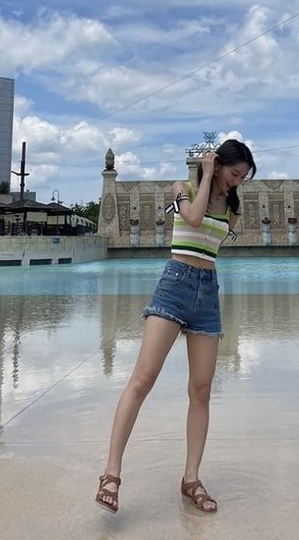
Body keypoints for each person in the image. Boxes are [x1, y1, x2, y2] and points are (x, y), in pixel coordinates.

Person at [96, 139, 257, 515]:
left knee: (201, 390)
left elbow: (212, 244)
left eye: (243, 178)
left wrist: (218, 186)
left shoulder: (233, 208)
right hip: (174, 285)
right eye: (234, 173)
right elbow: (195, 219)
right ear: (216, 164)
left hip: (207, 294)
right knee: (142, 380)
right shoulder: (181, 190)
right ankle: (111, 474)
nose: (237, 182)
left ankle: (191, 478)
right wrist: (204, 177)